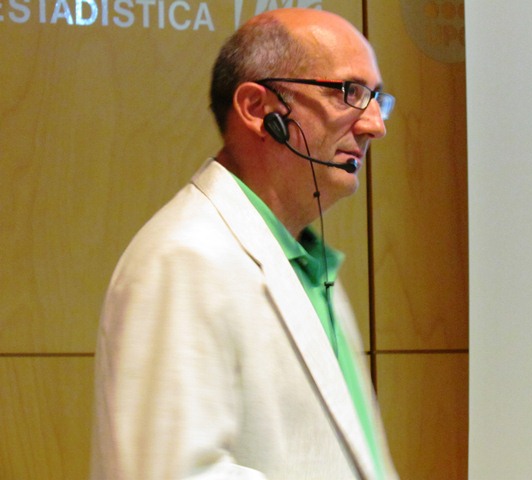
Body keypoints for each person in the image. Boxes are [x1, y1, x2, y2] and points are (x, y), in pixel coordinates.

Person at [91, 7, 398, 480]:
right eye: (349, 93)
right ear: (258, 109)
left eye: (376, 98)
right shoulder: (184, 259)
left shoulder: (307, 263)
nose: (375, 124)